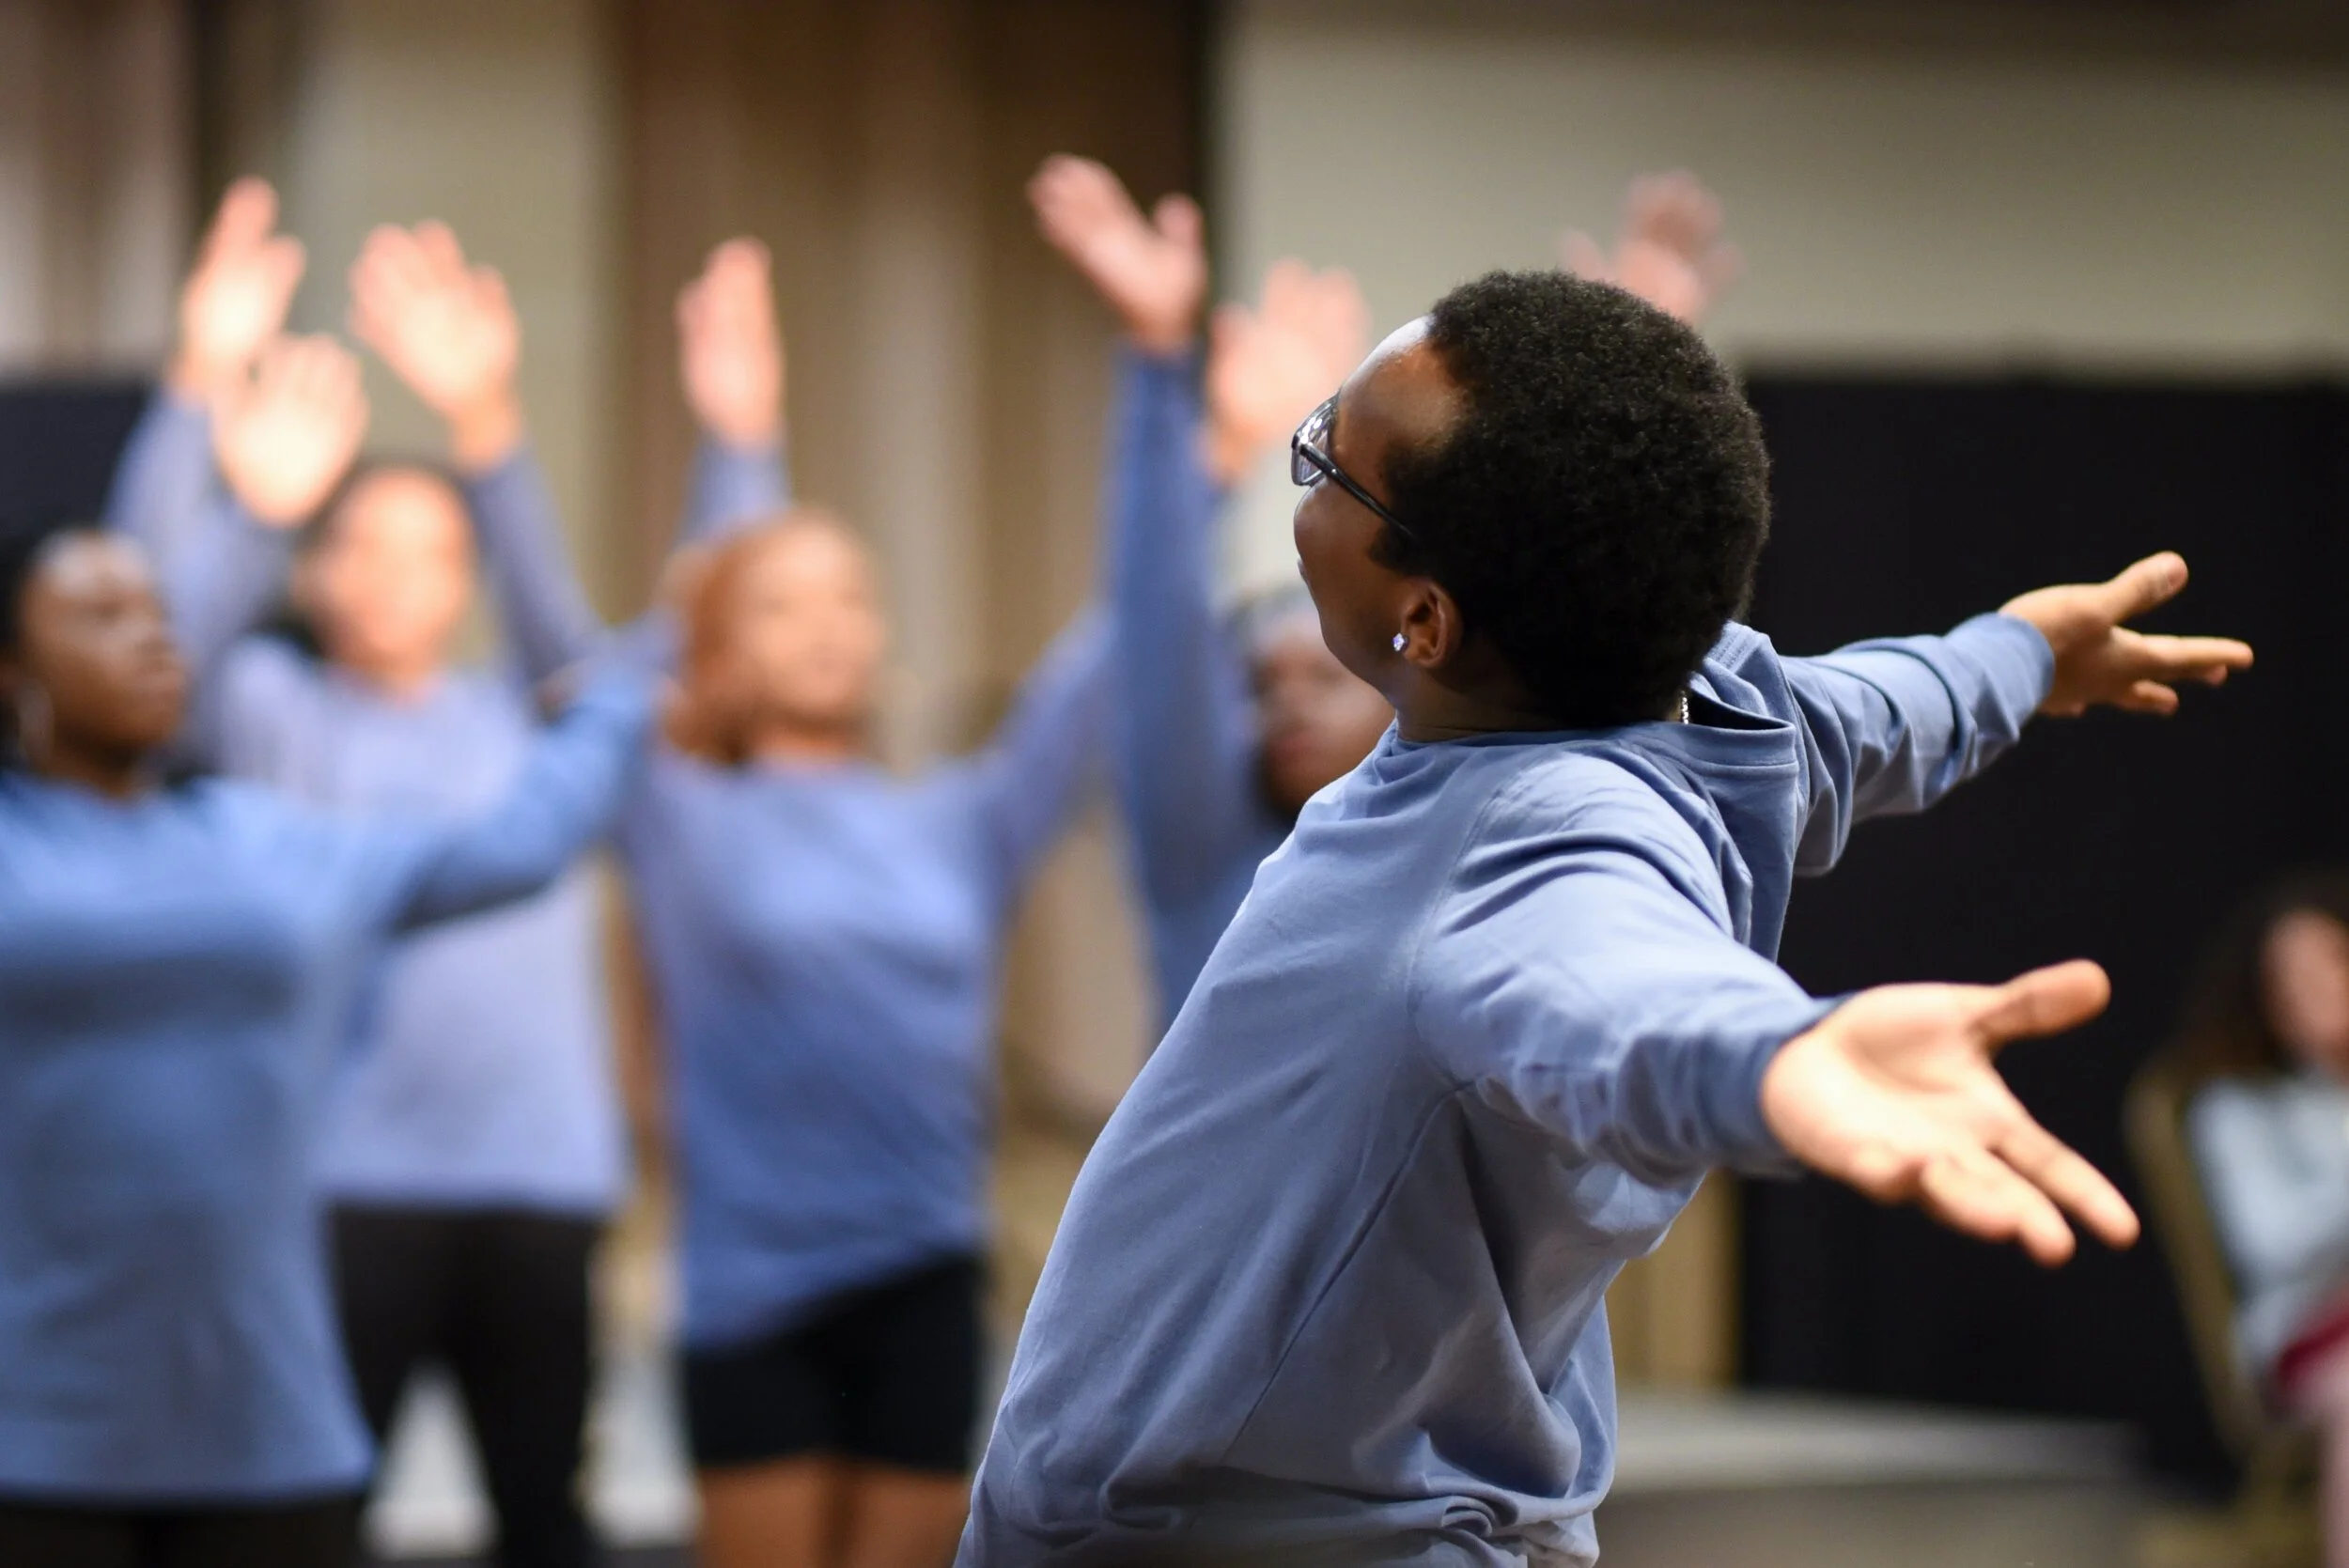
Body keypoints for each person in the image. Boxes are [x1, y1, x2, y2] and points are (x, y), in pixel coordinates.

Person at [959, 270, 2253, 1567]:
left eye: (1325, 467)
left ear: (1424, 618)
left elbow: (1608, 989)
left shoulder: (1520, 838)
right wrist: (2018, 655)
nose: (1304, 490)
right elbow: (1876, 709)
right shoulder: (1713, 703)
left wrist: (1779, 1056)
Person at [101, 184, 781, 1568]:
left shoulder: (530, 727)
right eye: (364, 541)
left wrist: (710, 440)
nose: (399, 576)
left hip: (538, 1181)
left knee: (546, 1521)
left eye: (437, 549)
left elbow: (685, 648)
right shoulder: (269, 715)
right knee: (306, 1519)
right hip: (337, 1183)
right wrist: (204, 408)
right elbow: (135, 638)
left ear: (471, 577)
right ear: (316, 568)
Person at [459, 244, 1109, 1568]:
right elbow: (553, 650)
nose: (824, 624)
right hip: (750, 1291)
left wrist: (1197, 447)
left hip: (929, 1272)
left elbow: (1107, 664)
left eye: (849, 597)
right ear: (724, 639)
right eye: (783, 602)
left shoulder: (963, 816)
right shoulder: (676, 809)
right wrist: (499, 435)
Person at [0, 516, 648, 1567]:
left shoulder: (267, 841)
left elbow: (516, 846)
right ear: (12, 666)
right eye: (101, 616)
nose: (155, 637)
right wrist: (252, 518)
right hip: (32, 1445)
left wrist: (615, 699)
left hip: (267, 1442)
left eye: (159, 614)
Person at [1028, 157, 1743, 1024]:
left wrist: (1622, 394)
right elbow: (1156, 631)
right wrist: (1182, 399)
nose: (1286, 705)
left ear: (1417, 649)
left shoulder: (1495, 817)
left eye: (1321, 677)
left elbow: (1587, 601)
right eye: (1260, 687)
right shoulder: (1205, 855)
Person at [2183, 873, 2349, 1567]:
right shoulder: (2237, 1109)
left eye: (2330, 963)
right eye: (2289, 978)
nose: (2313, 990)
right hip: (2310, 1332)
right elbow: (2271, 1244)